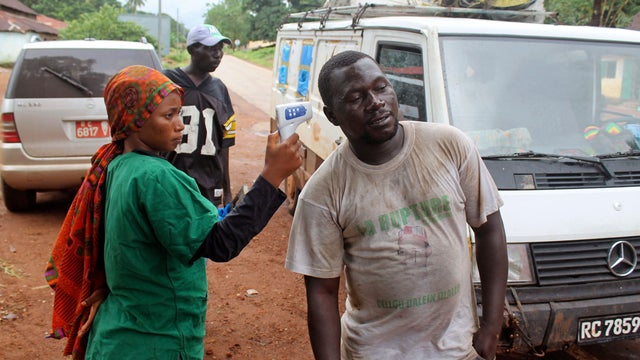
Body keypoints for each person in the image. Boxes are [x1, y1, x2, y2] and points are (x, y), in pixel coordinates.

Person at [44, 65, 302, 359]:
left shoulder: (116, 165)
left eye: (179, 113)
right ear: (135, 120)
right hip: (156, 341)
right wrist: (272, 176)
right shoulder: (157, 177)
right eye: (169, 115)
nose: (181, 124)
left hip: (119, 334)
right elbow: (221, 243)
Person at [285, 51, 508, 360]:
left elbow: (490, 229)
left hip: (459, 349)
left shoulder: (450, 145)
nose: (376, 101)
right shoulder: (322, 192)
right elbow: (321, 293)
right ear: (332, 115)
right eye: (356, 97)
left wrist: (490, 328)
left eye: (381, 87)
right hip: (375, 352)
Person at [163, 24, 236, 207]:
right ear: (192, 49)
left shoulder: (219, 90)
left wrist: (226, 192)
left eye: (220, 48)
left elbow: (225, 144)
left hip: (208, 187)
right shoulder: (167, 82)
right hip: (170, 183)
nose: (218, 54)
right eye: (211, 48)